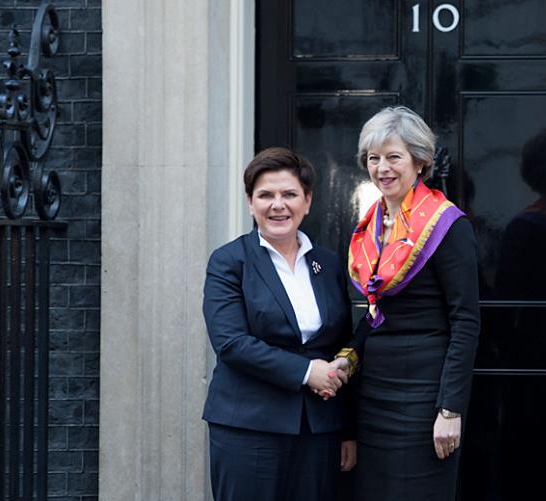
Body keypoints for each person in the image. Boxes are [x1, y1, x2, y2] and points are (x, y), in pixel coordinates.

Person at [333, 106, 481, 500]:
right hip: (373, 397)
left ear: (420, 162)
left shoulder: (448, 225)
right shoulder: (371, 225)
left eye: (394, 157)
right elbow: (376, 314)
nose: (382, 167)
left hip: (423, 397)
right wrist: (347, 357)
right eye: (374, 158)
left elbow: (465, 321)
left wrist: (450, 409)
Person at [202, 147, 357, 501]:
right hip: (248, 426)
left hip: (319, 429)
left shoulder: (329, 264)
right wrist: (306, 372)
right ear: (250, 202)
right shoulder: (229, 261)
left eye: (289, 194)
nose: (278, 205)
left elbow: (342, 341)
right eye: (265, 195)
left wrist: (347, 427)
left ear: (308, 201)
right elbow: (231, 343)